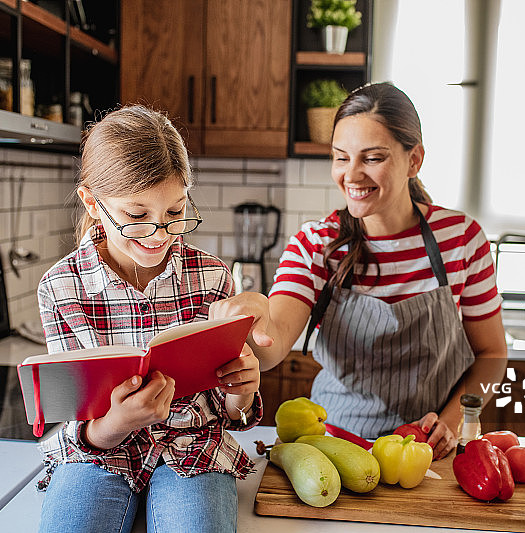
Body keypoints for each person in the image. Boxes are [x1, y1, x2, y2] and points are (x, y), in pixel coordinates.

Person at [210, 82, 507, 459]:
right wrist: (251, 318)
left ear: (413, 160)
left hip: (429, 451)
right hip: (334, 447)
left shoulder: (461, 238)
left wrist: (451, 421)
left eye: (372, 158)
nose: (351, 175)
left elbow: (493, 353)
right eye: (340, 157)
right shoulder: (315, 244)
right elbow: (272, 347)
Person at [35, 105, 262, 533]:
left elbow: (232, 412)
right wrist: (117, 424)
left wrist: (242, 392)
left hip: (193, 448)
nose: (159, 234)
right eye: (137, 217)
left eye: (174, 213)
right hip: (100, 452)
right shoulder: (61, 287)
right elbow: (77, 426)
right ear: (92, 202)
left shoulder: (212, 276)